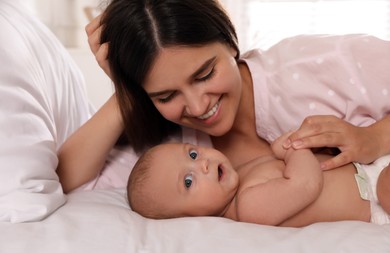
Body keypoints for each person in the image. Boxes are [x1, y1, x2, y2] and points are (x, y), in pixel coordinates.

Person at [57, 0, 390, 194]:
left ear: (230, 42)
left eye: (205, 74)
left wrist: (373, 138)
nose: (199, 106)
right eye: (166, 94)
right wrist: (126, 91)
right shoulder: (171, 151)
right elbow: (68, 180)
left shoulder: (316, 65)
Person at [127, 133, 390, 226]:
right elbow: (305, 184)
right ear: (189, 220)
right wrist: (293, 149)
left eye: (193, 154)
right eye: (188, 181)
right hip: (376, 199)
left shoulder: (241, 176)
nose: (203, 163)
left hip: (367, 169)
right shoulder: (250, 207)